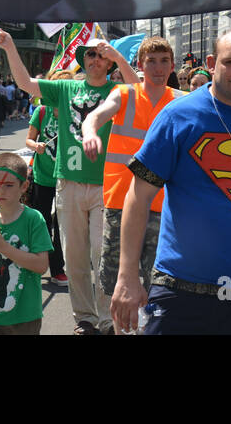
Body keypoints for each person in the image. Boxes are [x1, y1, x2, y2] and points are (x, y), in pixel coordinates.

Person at [110, 30, 231, 335]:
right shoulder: (177, 116)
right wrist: (126, 276)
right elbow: (138, 196)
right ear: (213, 63)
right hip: (179, 288)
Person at [0, 28, 137, 335]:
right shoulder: (65, 90)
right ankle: (85, 319)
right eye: (90, 54)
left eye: (101, 56)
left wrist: (117, 56)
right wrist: (9, 48)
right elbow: (25, 83)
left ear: (109, 63)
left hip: (105, 185)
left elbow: (139, 88)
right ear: (83, 60)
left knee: (102, 255)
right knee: (74, 256)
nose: (95, 60)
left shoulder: (117, 91)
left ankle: (106, 318)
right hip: (68, 183)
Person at [80, 35, 184, 307]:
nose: (158, 68)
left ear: (172, 66)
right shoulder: (124, 94)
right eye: (151, 62)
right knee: (117, 287)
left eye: (164, 62)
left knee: (160, 286)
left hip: (164, 206)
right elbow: (95, 116)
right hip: (120, 204)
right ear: (140, 65)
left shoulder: (181, 103)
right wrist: (90, 133)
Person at [0, 152, 52, 334]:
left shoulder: (33, 219)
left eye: (8, 185)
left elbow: (41, 265)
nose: (0, 191)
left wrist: (3, 247)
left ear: (24, 186)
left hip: (25, 317)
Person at [25, 72, 67, 287]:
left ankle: (58, 269)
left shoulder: (73, 113)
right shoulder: (42, 111)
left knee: (60, 227)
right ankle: (36, 264)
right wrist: (36, 146)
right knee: (41, 223)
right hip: (42, 177)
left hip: (65, 178)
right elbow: (29, 140)